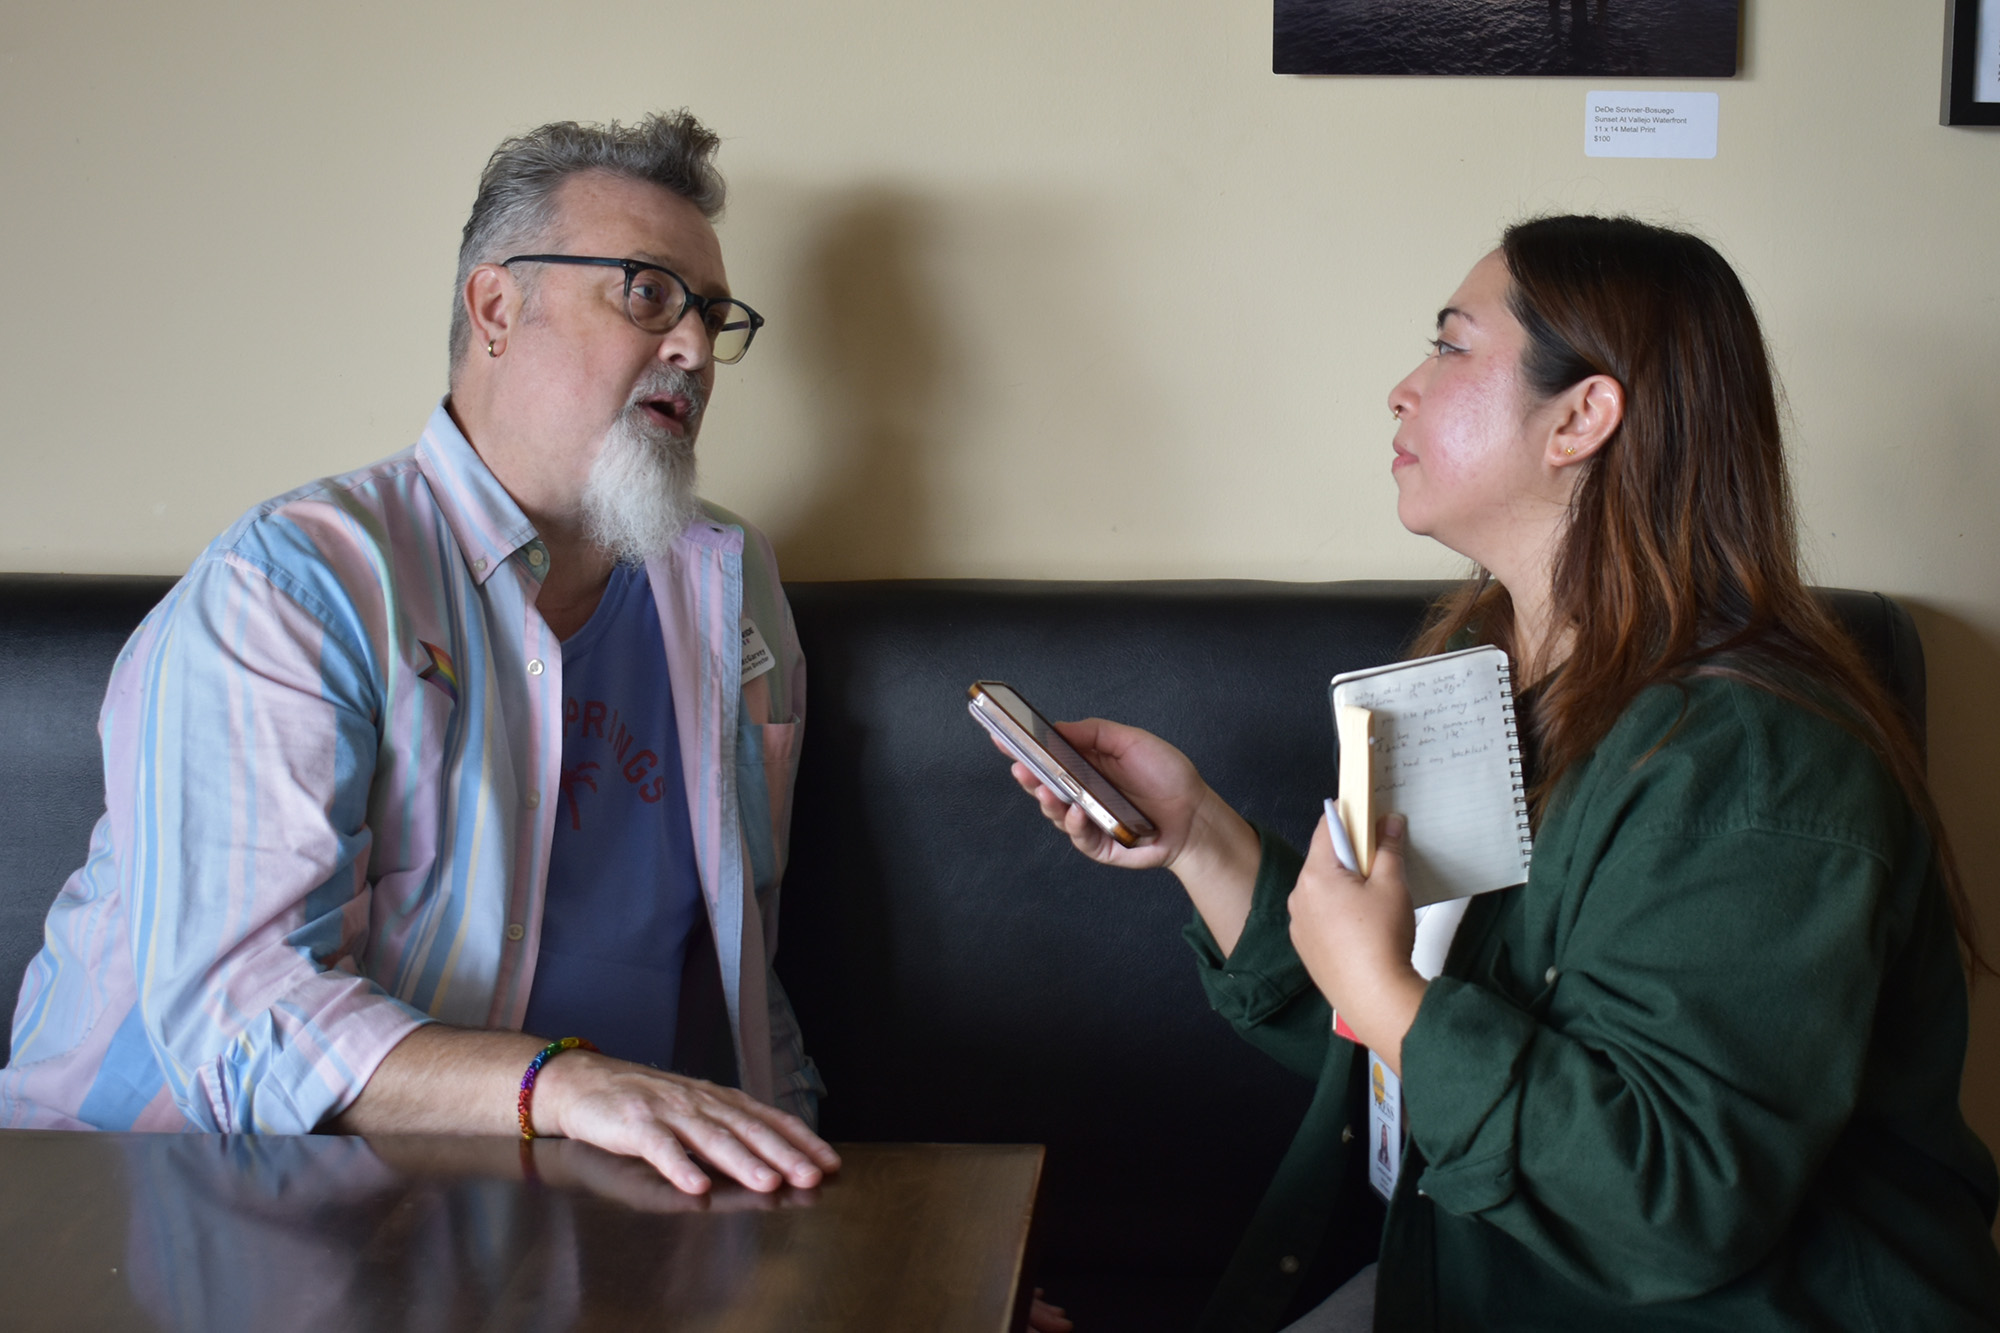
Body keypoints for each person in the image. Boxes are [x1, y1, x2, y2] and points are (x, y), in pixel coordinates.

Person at [1002, 216, 2000, 1330]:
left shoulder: (1755, 765)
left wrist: (1386, 994)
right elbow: (1403, 1033)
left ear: (1580, 416)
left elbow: (1667, 1201)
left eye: (1447, 347)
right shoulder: (1480, 681)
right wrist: (1195, 838)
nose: (1400, 388)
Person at [1, 112, 839, 1197]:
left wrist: (863, 1235)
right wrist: (565, 1086)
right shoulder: (296, 587)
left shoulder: (731, 591)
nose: (689, 345)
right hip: (147, 1199)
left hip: (530, 1213)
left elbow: (735, 978)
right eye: (645, 294)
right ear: (495, 306)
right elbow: (239, 1018)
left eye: (709, 315)